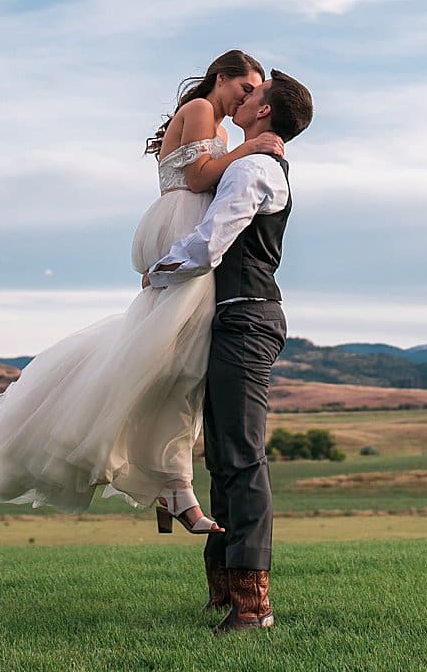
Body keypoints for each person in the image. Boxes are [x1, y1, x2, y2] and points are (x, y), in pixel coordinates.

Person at [0, 50, 284, 533]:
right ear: (221, 79)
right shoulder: (202, 111)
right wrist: (251, 149)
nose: (246, 98)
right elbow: (198, 177)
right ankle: (168, 484)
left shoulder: (218, 128)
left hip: (187, 226)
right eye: (244, 88)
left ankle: (173, 485)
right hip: (181, 221)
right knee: (175, 363)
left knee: (177, 363)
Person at [145, 68, 313, 634]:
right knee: (222, 459)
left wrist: (159, 272)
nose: (244, 97)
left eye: (254, 93)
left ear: (265, 110)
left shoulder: (258, 168)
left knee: (242, 459)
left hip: (247, 315)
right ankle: (224, 592)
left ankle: (254, 604)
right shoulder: (246, 160)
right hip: (231, 317)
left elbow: (213, 240)